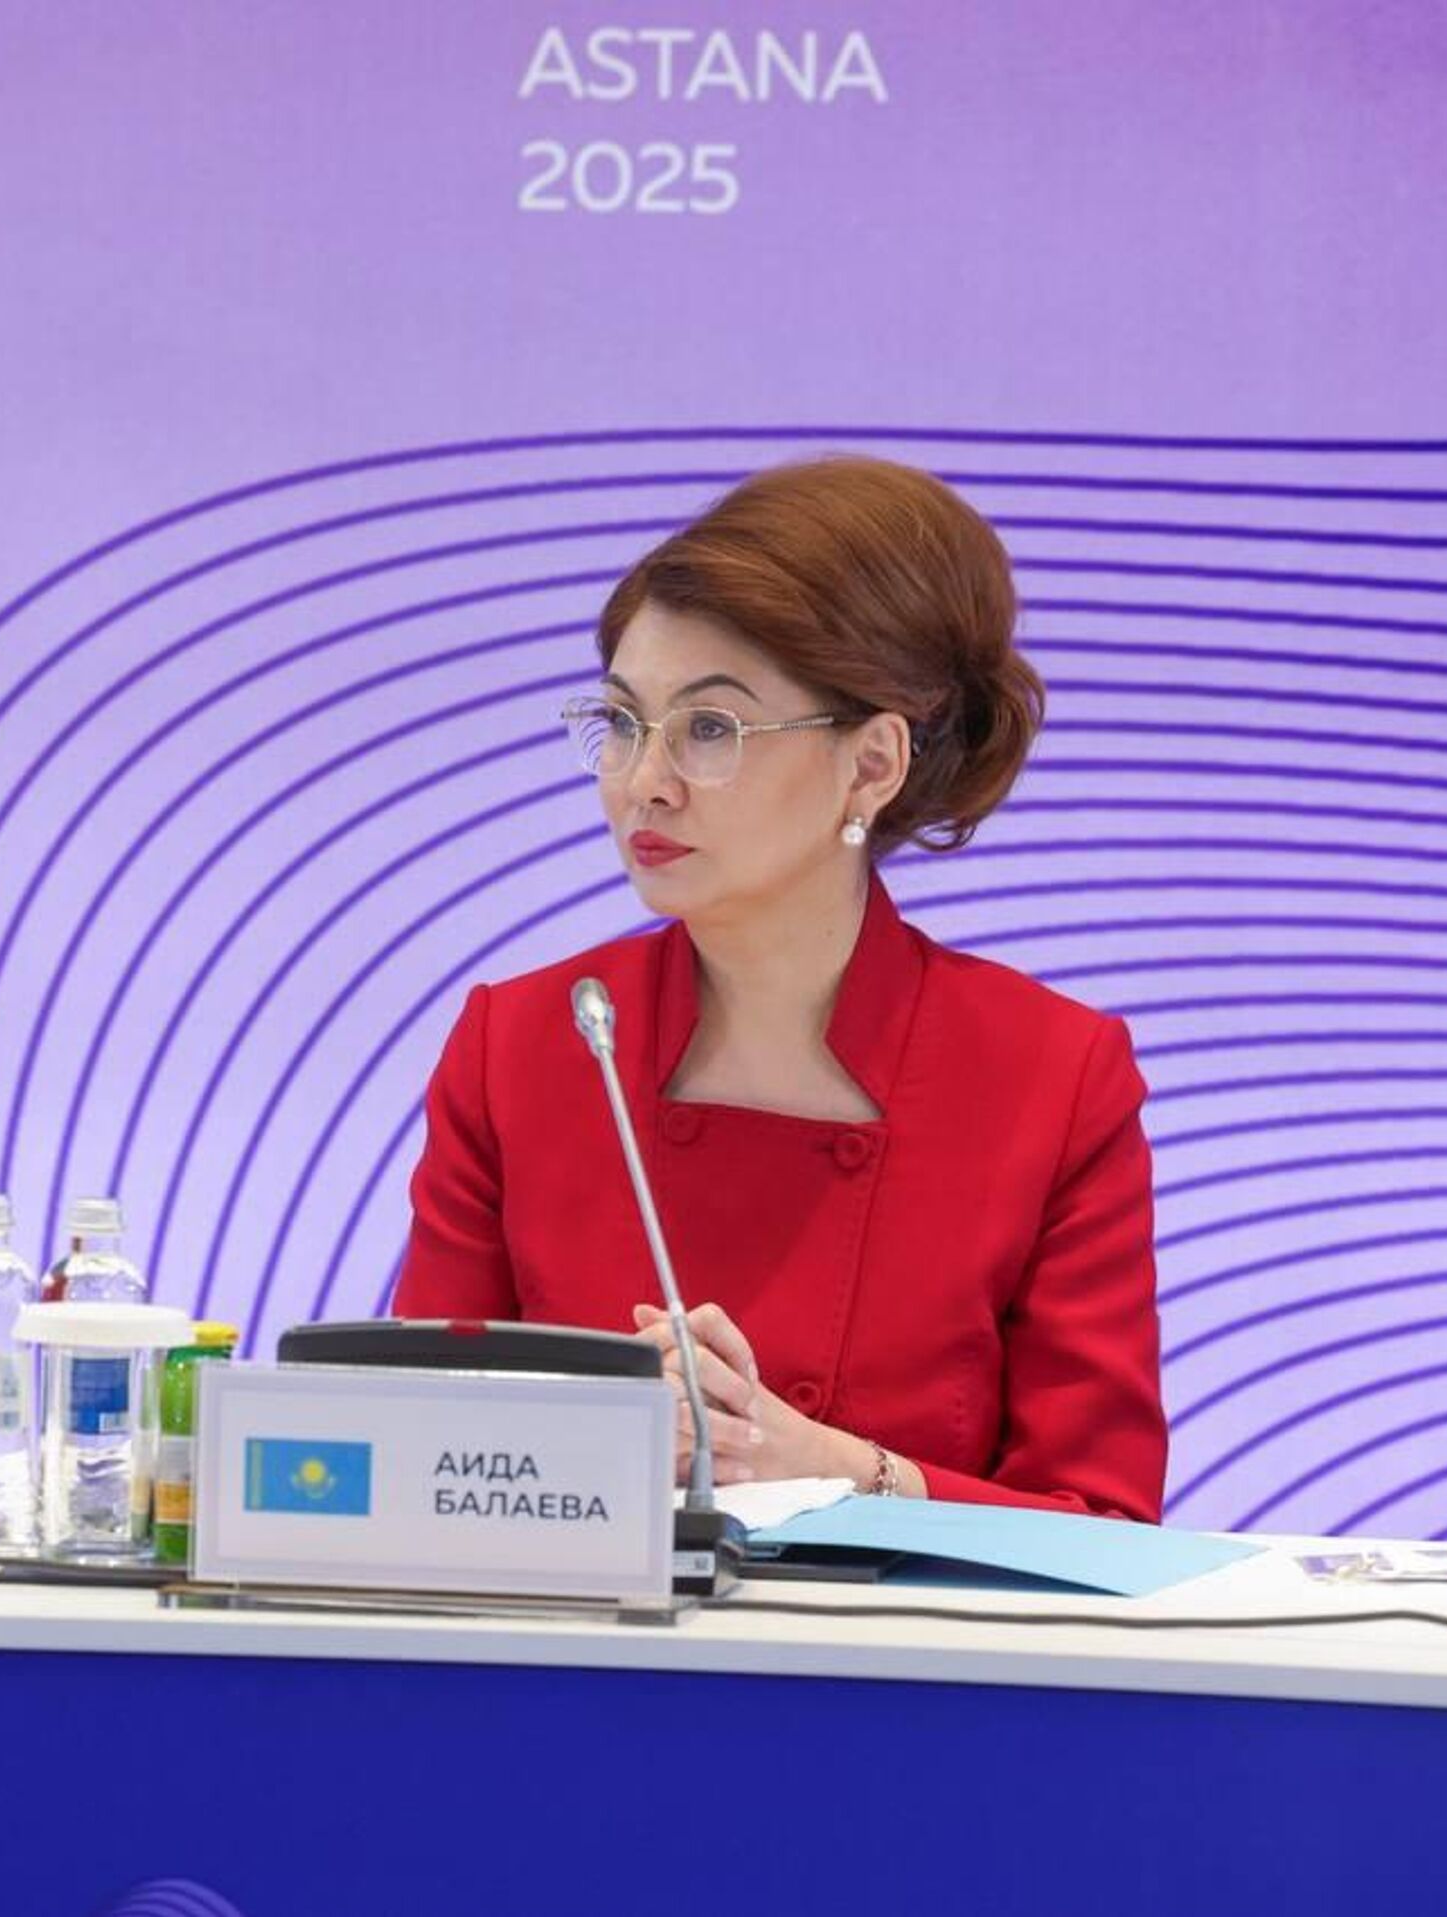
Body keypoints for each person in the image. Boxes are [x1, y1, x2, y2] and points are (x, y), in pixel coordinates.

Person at [393, 455, 1166, 1519]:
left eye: (710, 729)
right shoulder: (526, 1043)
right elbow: (413, 1450)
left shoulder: (1052, 1076)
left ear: (873, 764)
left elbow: (1107, 1528)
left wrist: (836, 1468)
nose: (643, 782)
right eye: (623, 723)